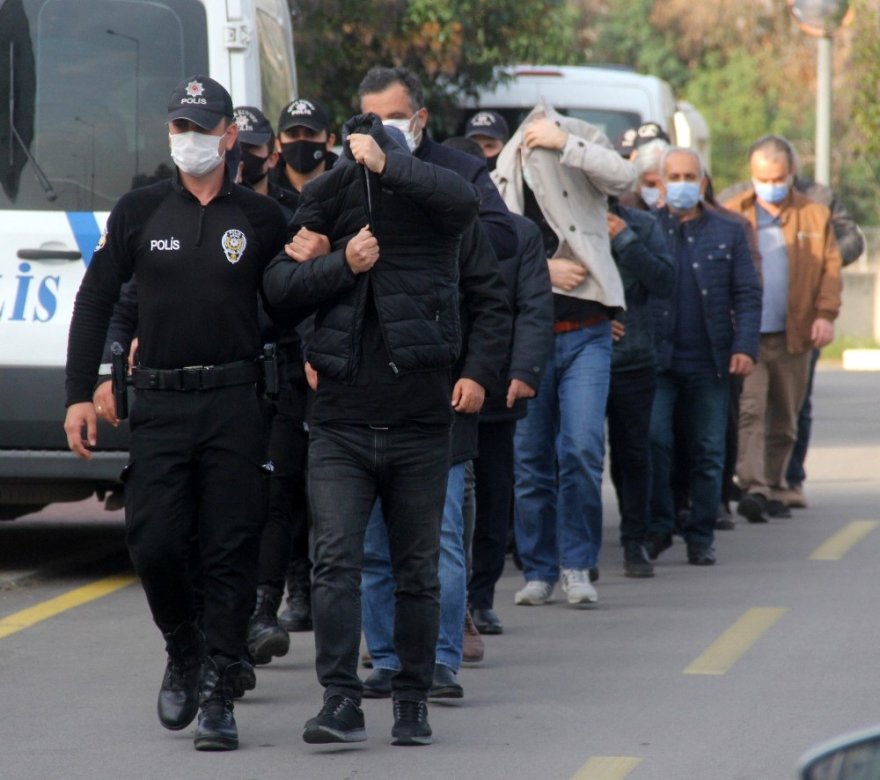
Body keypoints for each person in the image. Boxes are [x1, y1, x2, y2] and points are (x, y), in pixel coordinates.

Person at [63, 76, 289, 751]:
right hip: (158, 402)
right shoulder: (137, 213)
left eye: (203, 127)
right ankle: (184, 648)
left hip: (234, 402)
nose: (190, 139)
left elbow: (289, 305)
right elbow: (96, 299)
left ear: (229, 136)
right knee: (156, 542)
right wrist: (80, 390)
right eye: (179, 127)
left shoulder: (260, 219)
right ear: (170, 135)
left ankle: (220, 687)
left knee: (228, 549)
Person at [263, 114, 481, 747]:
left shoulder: (435, 202)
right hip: (340, 421)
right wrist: (343, 264)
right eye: (357, 158)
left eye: (373, 158)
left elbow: (463, 201)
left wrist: (393, 166)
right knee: (334, 563)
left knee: (417, 570)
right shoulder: (327, 200)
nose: (364, 169)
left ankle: (412, 701)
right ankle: (339, 699)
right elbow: (279, 287)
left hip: (418, 419)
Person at [356, 67, 515, 680]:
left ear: (419, 120)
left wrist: (478, 371)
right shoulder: (349, 188)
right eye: (372, 121)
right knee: (373, 547)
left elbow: (492, 289)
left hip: (441, 395)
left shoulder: (455, 188)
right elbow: (310, 290)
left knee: (440, 537)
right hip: (367, 397)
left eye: (394, 119)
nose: (383, 133)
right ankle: (389, 661)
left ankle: (442, 660)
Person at [493, 100, 635, 607]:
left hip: (589, 329)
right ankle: (539, 569)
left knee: (580, 449)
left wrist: (566, 142)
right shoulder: (501, 173)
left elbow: (625, 176)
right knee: (530, 459)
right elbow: (491, 255)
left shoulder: (577, 143)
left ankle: (578, 564)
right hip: (529, 337)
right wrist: (544, 271)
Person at [442, 135, 554, 634]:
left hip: (496, 385)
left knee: (491, 495)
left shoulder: (519, 233)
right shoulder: (430, 225)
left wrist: (523, 372)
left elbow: (532, 306)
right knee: (448, 503)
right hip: (440, 385)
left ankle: (479, 597)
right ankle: (444, 602)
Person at [718, 142, 862, 509]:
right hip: (747, 333)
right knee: (750, 410)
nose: (771, 186)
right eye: (763, 178)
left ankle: (776, 481)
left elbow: (830, 269)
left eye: (779, 178)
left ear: (792, 174)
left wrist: (825, 316)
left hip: (794, 333)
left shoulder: (814, 214)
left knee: (785, 416)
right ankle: (754, 487)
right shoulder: (733, 213)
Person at [646, 147, 762, 565]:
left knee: (709, 450)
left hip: (712, 362)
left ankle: (700, 534)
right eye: (673, 176)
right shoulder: (645, 227)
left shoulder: (729, 230)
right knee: (655, 442)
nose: (681, 184)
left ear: (703, 182)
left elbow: (748, 294)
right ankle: (660, 525)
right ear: (659, 184)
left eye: (689, 176)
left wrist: (745, 346)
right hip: (657, 361)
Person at [606, 195, 675, 577]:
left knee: (633, 451)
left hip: (633, 359)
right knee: (576, 453)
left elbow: (665, 280)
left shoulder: (643, 225)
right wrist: (596, 318)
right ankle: (571, 552)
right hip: (577, 350)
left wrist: (626, 241)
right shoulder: (558, 219)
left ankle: (635, 539)